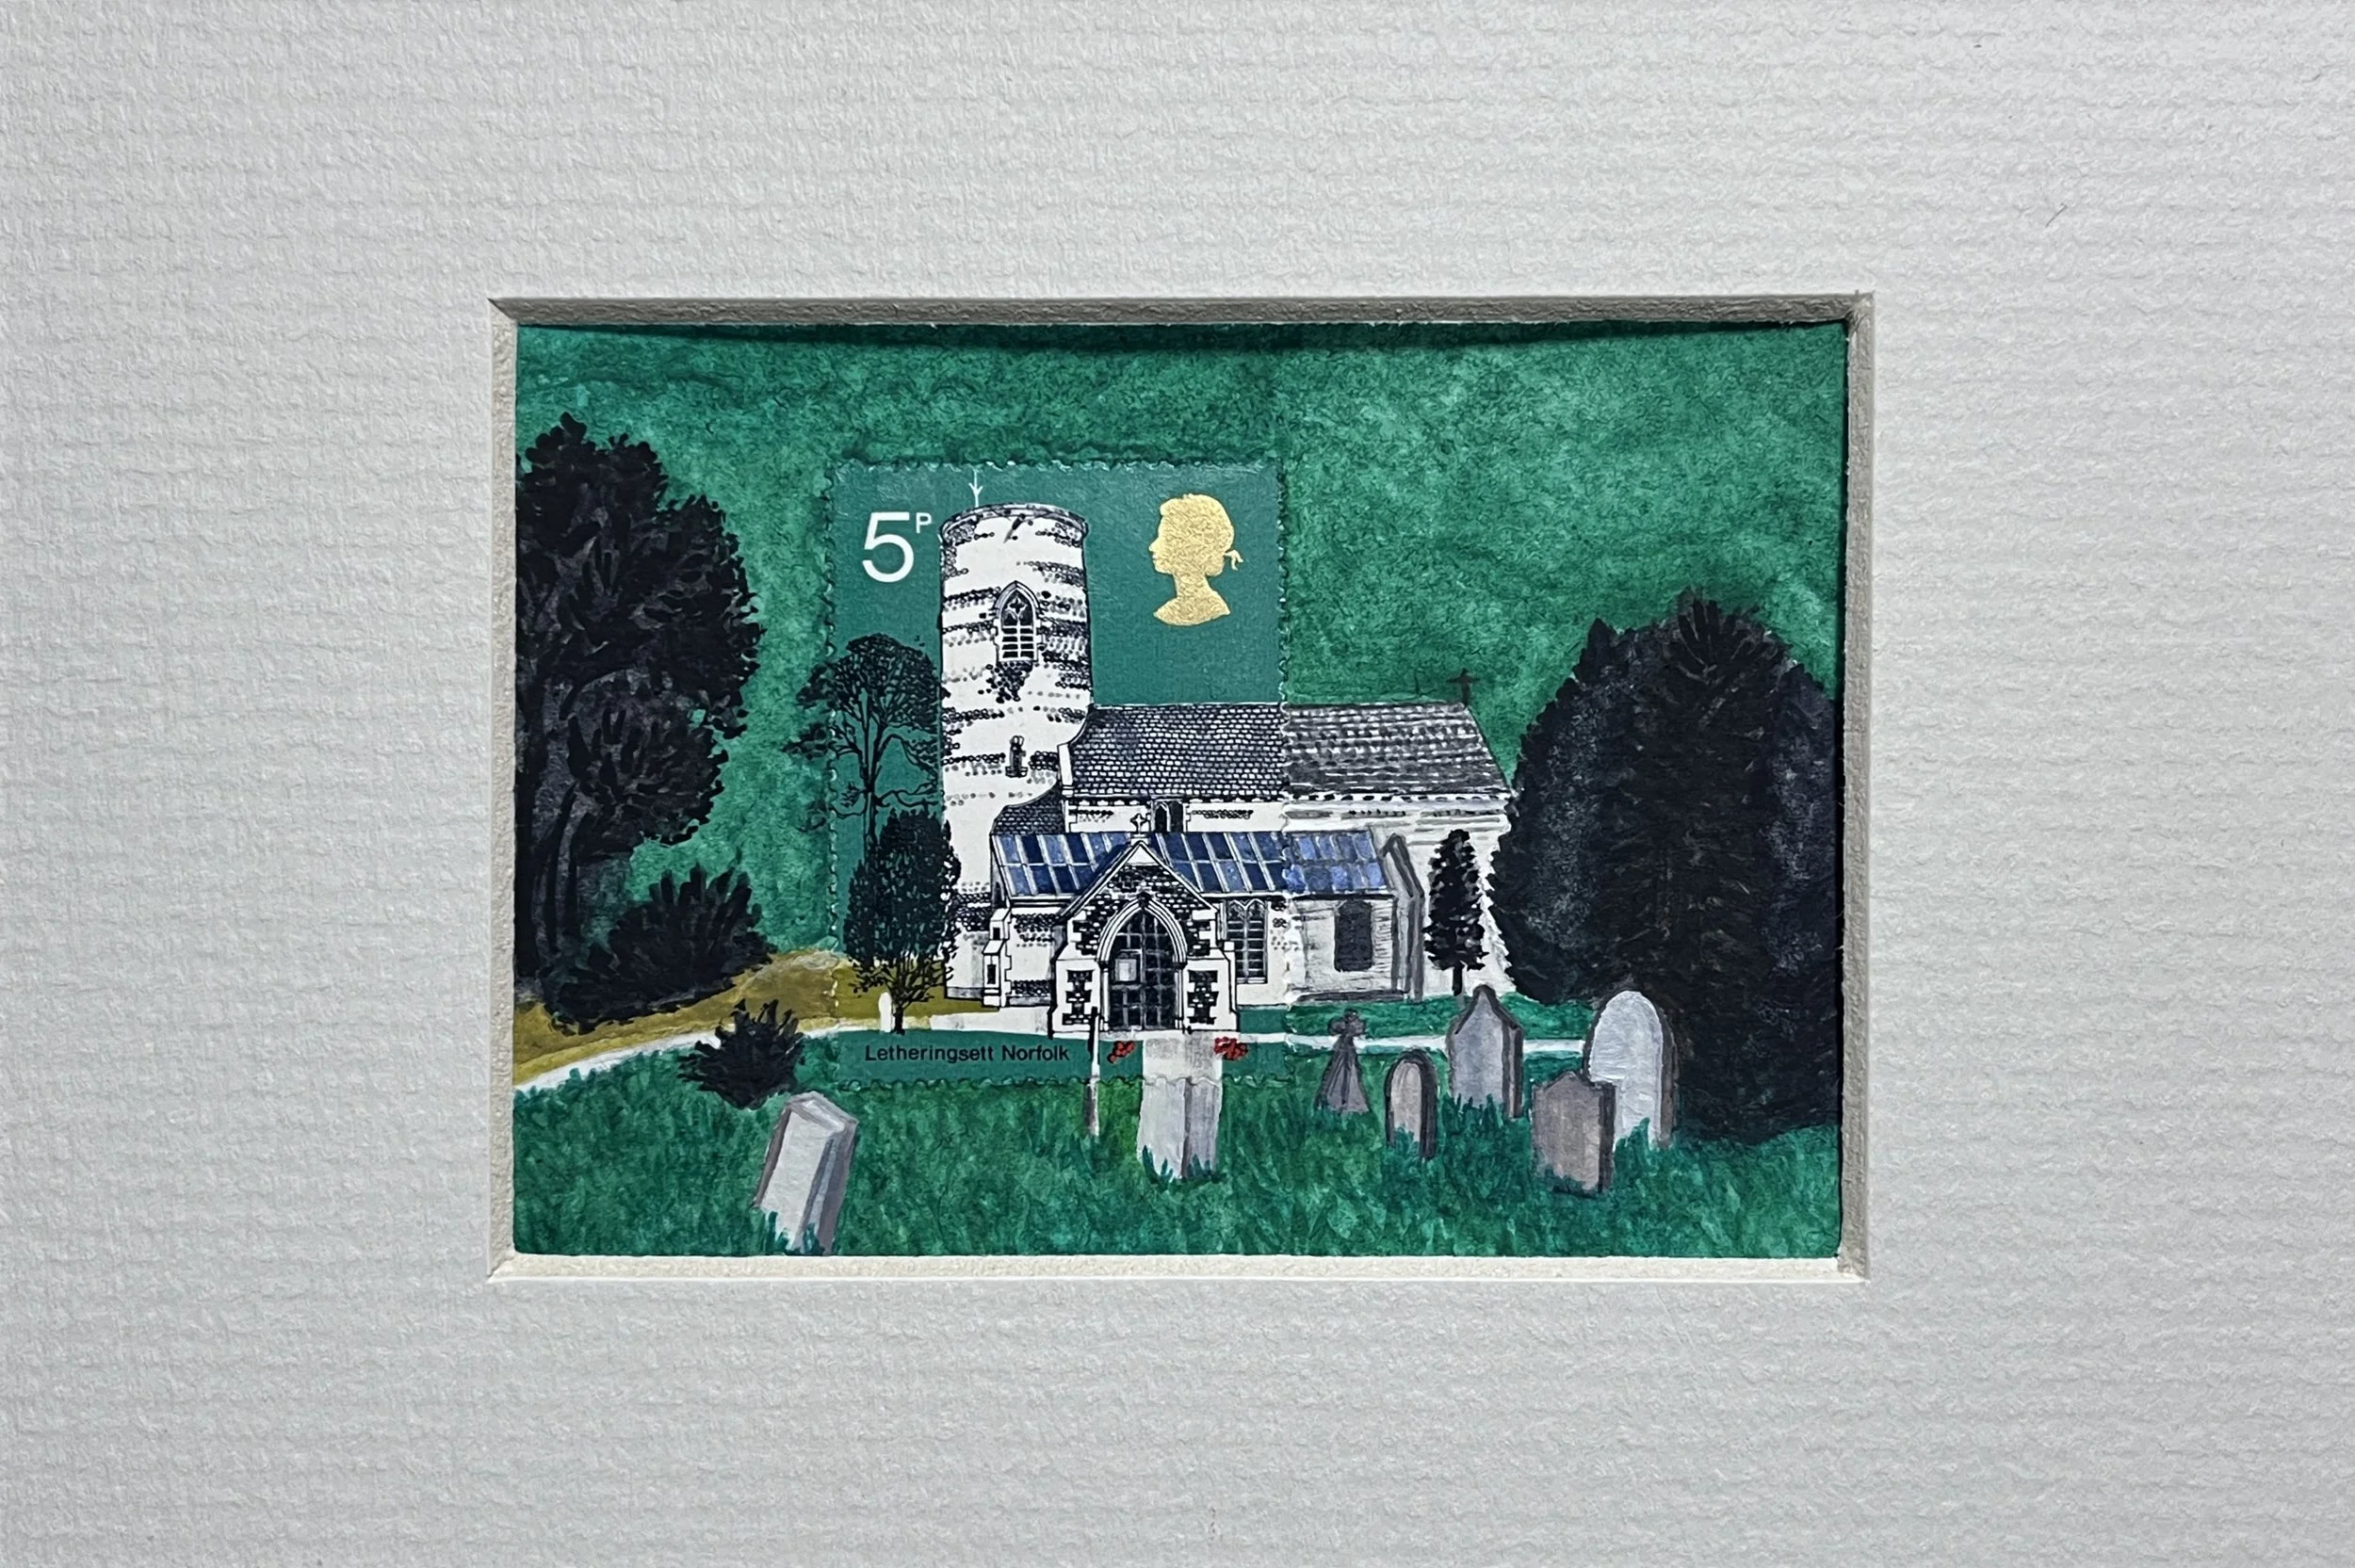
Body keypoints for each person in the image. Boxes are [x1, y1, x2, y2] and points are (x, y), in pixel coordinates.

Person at [1147, 493, 1242, 626]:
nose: (1152, 547)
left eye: (1166, 539)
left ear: (1192, 548)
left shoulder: (1212, 609)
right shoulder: (1168, 610)